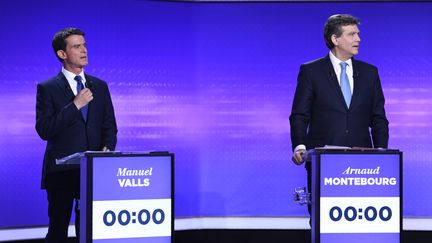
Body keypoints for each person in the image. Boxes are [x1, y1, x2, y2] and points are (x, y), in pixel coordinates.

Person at [289, 14, 389, 210]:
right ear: (335, 39)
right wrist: (299, 145)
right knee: (324, 224)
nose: (358, 39)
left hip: (363, 165)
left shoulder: (370, 72)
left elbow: (378, 117)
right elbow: (300, 114)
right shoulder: (311, 71)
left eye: (358, 34)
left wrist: (382, 152)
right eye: (352, 34)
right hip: (324, 162)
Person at [36, 28, 118, 242]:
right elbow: (44, 129)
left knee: (90, 231)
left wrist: (107, 150)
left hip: (92, 172)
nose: (84, 50)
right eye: (76, 46)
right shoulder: (47, 88)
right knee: (58, 232)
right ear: (62, 54)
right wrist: (75, 105)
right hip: (61, 173)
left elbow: (109, 125)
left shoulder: (99, 86)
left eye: (84, 45)